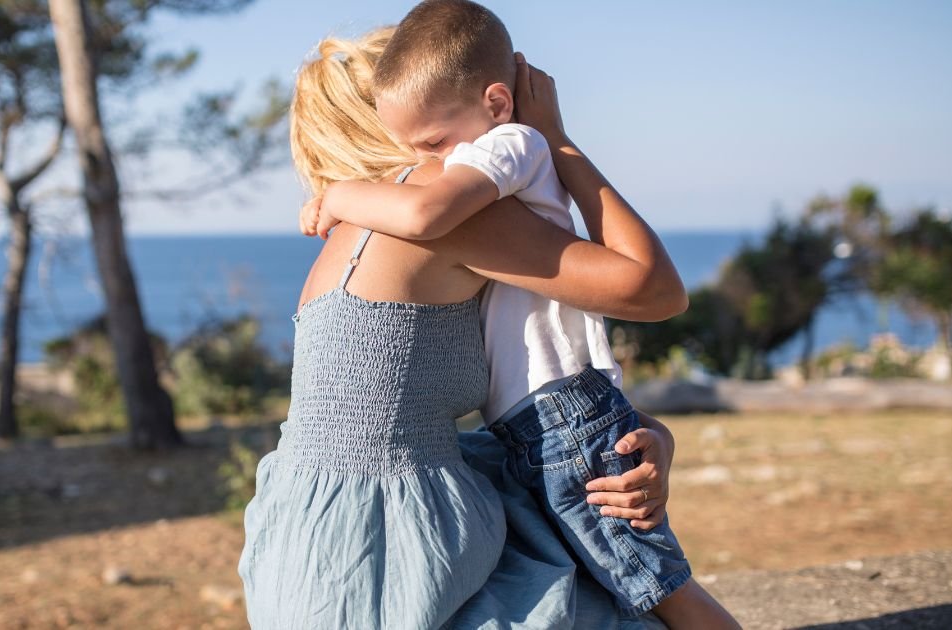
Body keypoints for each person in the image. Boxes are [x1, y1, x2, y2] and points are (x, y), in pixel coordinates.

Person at [301, 2, 738, 627]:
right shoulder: (436, 214)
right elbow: (656, 290)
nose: (436, 164)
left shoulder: (373, 230)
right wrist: (558, 140)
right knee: (658, 597)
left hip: (324, 539)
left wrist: (642, 432)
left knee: (647, 587)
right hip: (394, 537)